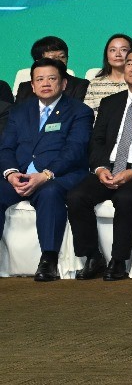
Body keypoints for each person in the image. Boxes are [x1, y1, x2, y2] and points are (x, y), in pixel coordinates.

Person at [66, 46, 132, 281]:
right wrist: (100, 168)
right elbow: (97, 141)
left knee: (124, 197)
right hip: (110, 167)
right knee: (76, 196)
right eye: (129, 63)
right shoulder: (110, 103)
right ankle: (92, 256)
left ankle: (118, 260)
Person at [0, 60, 93, 281]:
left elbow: (75, 150)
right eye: (39, 79)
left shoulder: (80, 111)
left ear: (64, 83)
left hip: (59, 175)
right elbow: (6, 147)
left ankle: (48, 260)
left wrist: (46, 174)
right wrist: (11, 174)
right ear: (32, 86)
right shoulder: (19, 111)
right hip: (21, 175)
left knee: (50, 193)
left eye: (52, 78)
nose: (46, 83)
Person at [14, 36, 90, 104]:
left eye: (62, 57)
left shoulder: (80, 85)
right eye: (52, 58)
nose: (59, 61)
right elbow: (17, 113)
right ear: (38, 62)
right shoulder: (25, 88)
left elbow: (76, 111)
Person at [83, 34, 132, 113]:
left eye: (123, 50)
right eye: (112, 50)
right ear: (106, 55)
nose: (118, 54)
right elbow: (87, 115)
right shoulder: (94, 84)